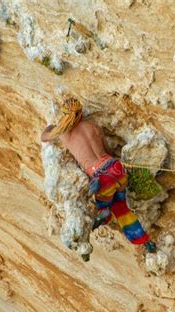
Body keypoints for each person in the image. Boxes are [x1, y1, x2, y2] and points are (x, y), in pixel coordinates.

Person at [41, 97, 156, 253]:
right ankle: (145, 241)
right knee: (122, 207)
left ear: (65, 116)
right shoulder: (93, 127)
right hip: (115, 167)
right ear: (80, 113)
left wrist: (57, 126)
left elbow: (44, 136)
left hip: (100, 176)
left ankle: (104, 213)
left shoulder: (65, 134)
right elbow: (108, 151)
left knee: (107, 206)